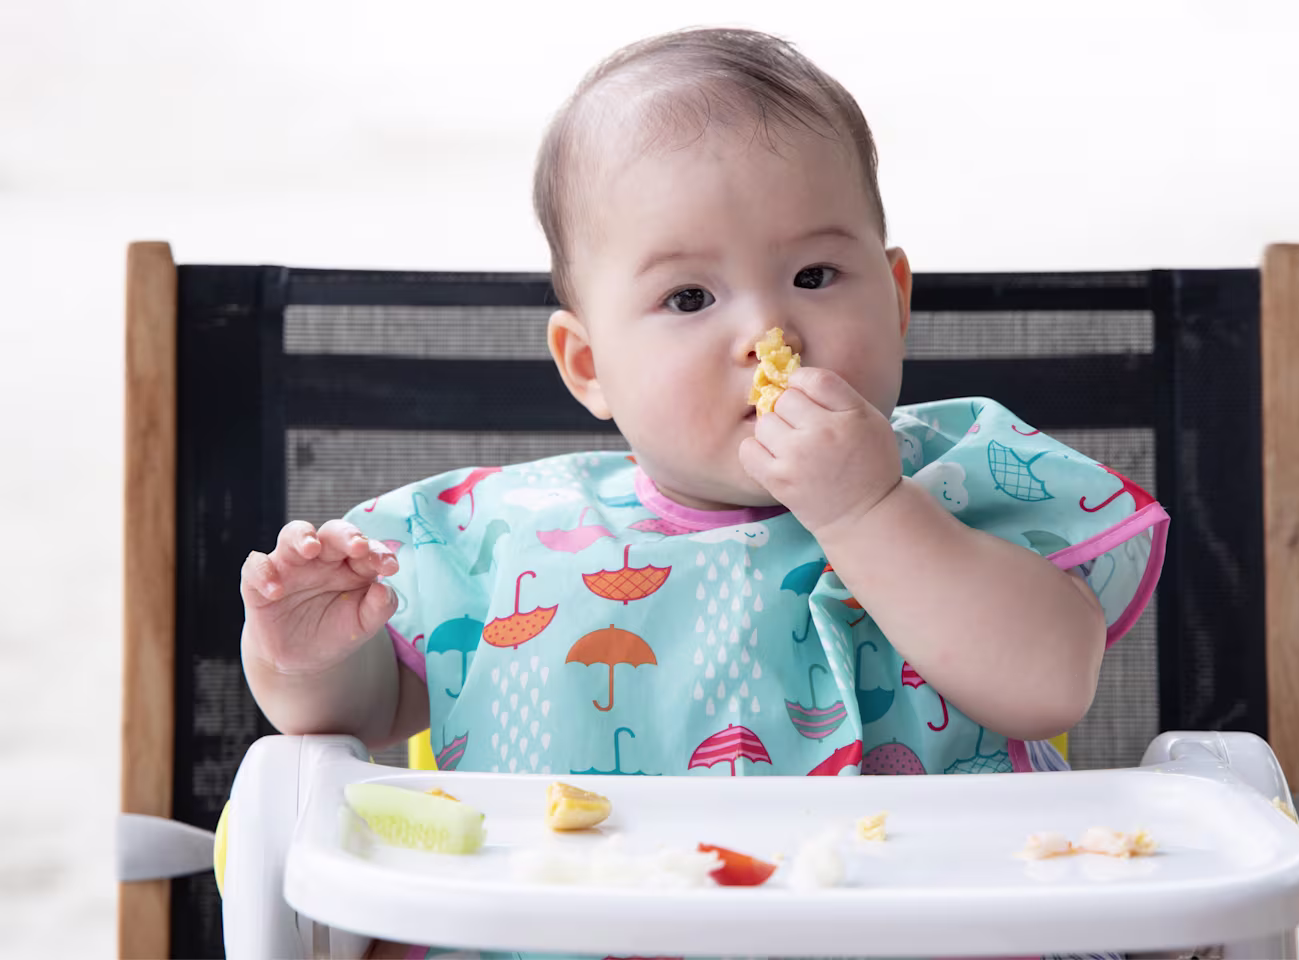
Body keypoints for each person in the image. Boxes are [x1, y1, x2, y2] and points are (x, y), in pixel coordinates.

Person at [240, 26, 1169, 960]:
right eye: (689, 298)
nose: (771, 330)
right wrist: (311, 662)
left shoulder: (960, 478)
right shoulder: (493, 536)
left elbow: (1049, 684)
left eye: (814, 275)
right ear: (591, 364)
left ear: (894, 299)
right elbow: (364, 717)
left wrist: (869, 512)